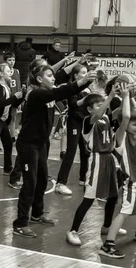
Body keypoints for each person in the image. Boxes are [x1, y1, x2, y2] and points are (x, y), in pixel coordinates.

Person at [12, 65, 96, 238]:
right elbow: (60, 92)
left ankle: (36, 214)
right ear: (39, 79)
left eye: (53, 76)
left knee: (42, 180)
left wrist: (85, 82)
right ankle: (20, 224)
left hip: (41, 143)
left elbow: (64, 91)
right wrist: (81, 81)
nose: (53, 78)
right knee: (30, 183)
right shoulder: (36, 94)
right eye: (49, 76)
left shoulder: (48, 92)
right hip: (28, 144)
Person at [65, 92, 123, 246]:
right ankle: (73, 230)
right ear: (90, 110)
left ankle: (107, 226)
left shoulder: (105, 118)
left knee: (113, 196)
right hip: (96, 159)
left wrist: (128, 95)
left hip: (109, 158)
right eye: (99, 105)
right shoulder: (88, 121)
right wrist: (110, 96)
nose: (103, 108)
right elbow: (98, 115)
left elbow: (120, 112)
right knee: (89, 199)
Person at [100, 86, 136, 259]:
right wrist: (125, 96)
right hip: (132, 181)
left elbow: (134, 114)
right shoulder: (120, 137)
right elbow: (127, 116)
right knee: (125, 211)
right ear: (124, 124)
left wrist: (133, 96)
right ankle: (108, 244)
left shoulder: (135, 133)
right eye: (134, 125)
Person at [55, 64, 92, 195]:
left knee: (85, 151)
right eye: (83, 72)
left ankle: (83, 178)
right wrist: (87, 100)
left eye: (86, 72)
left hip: (84, 121)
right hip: (74, 122)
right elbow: (72, 105)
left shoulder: (87, 88)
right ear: (76, 75)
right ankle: (60, 183)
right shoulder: (73, 88)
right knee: (71, 151)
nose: (85, 74)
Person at [0, 63, 23, 174]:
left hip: (2, 120)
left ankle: (8, 168)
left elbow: (10, 102)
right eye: (8, 71)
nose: (10, 73)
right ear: (1, 74)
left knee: (8, 144)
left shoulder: (5, 87)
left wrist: (21, 98)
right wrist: (14, 97)